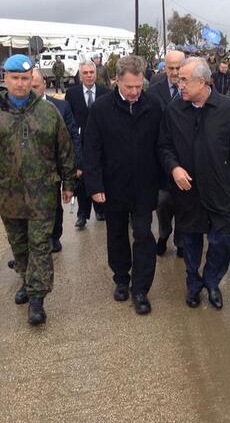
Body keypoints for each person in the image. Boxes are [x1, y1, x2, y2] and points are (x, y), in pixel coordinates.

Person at [0, 54, 76, 326]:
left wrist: (69, 183)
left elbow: (64, 151)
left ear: (32, 80)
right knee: (19, 245)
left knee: (40, 245)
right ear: (5, 78)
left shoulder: (47, 112)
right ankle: (27, 281)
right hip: (9, 195)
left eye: (25, 78)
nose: (20, 83)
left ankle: (37, 299)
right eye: (15, 78)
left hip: (42, 195)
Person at [158, 57, 230, 310]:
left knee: (221, 242)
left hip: (221, 189)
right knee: (190, 241)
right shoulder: (174, 110)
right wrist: (174, 168)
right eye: (179, 80)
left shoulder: (228, 109)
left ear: (202, 82)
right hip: (188, 192)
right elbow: (164, 146)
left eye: (184, 80)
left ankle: (212, 282)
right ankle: (193, 283)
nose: (179, 85)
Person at [84, 55, 162, 315]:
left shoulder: (153, 106)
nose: (134, 92)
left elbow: (161, 144)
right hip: (113, 185)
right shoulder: (101, 109)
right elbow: (92, 149)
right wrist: (95, 185)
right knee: (116, 234)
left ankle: (140, 289)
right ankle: (121, 278)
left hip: (144, 185)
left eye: (139, 86)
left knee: (143, 235)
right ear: (116, 80)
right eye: (129, 86)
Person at [31, 69, 83, 253]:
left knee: (53, 203)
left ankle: (54, 236)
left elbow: (73, 136)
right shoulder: (15, 109)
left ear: (44, 84)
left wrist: (76, 164)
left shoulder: (61, 107)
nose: (32, 90)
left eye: (35, 86)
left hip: (53, 168)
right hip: (26, 170)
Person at [148, 50, 185, 258]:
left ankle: (181, 241)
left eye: (178, 67)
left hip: (186, 159)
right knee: (162, 203)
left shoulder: (192, 89)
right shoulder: (154, 91)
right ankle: (163, 234)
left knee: (183, 204)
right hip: (161, 161)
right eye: (170, 68)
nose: (174, 72)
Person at [65, 61, 110, 227]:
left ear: (96, 74)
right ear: (80, 75)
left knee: (99, 175)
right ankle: (82, 214)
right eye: (85, 73)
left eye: (92, 72)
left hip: (101, 142)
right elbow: (69, 117)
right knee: (82, 179)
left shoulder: (105, 92)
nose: (89, 75)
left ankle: (100, 210)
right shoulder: (72, 93)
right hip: (81, 143)